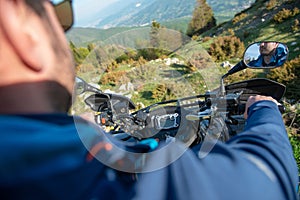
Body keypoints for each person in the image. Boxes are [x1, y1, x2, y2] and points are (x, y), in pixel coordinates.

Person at [0, 1, 298, 200]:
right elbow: (265, 182)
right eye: (60, 17)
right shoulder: (81, 171)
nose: (64, 34)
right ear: (17, 23)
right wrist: (264, 109)